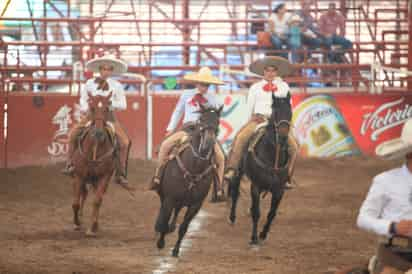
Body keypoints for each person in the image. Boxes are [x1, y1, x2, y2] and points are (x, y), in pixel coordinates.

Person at [148, 67, 226, 200]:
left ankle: (218, 188)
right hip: (188, 129)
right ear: (197, 83)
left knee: (221, 157)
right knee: (165, 145)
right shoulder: (186, 94)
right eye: (202, 84)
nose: (204, 87)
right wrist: (170, 129)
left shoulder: (215, 100)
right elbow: (178, 111)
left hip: (205, 131)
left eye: (207, 85)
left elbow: (216, 118)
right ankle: (158, 177)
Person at [224, 56, 298, 187]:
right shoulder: (255, 87)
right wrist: (248, 121)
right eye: (267, 70)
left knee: (294, 146)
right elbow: (249, 107)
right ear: (263, 72)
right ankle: (232, 169)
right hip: (259, 120)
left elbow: (288, 106)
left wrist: (286, 123)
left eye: (273, 70)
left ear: (277, 72)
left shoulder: (284, 86)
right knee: (241, 138)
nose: (270, 73)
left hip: (278, 123)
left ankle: (287, 176)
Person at [62, 55, 131, 185]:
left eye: (109, 69)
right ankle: (70, 164)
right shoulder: (89, 83)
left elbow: (123, 105)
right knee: (72, 135)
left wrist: (110, 104)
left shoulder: (117, 86)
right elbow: (82, 99)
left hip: (109, 116)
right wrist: (85, 107)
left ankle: (120, 173)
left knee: (124, 142)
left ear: (112, 70)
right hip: (91, 115)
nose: (106, 71)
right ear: (99, 70)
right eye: (104, 68)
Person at [357, 119, 412, 274]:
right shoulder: (385, 181)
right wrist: (392, 226)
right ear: (409, 153)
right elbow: (363, 218)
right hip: (394, 252)